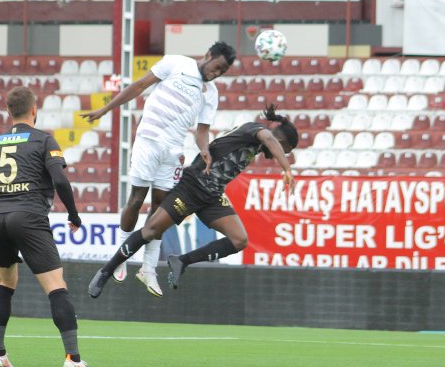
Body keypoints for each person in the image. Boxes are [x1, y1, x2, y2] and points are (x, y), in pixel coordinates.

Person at [88, 104, 298, 298]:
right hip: (192, 187)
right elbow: (269, 138)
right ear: (280, 142)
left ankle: (181, 261)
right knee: (151, 230)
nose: (277, 156)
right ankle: (106, 271)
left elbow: (267, 143)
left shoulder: (255, 147)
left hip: (212, 196)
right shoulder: (254, 130)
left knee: (239, 240)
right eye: (283, 151)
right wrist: (286, 168)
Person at [0, 86, 93, 367]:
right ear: (34, 110)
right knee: (57, 287)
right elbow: (60, 180)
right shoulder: (43, 140)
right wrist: (73, 214)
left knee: (5, 285)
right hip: (28, 215)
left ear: (8, 111)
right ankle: (73, 358)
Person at [81, 42, 236, 297]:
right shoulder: (176, 62)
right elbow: (139, 86)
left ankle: (148, 269)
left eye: (222, 72)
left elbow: (202, 131)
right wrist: (105, 109)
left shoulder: (211, 92)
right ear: (207, 56)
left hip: (173, 151)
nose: (216, 73)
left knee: (161, 210)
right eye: (217, 67)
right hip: (149, 140)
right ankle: (121, 257)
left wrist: (205, 149)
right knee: (136, 199)